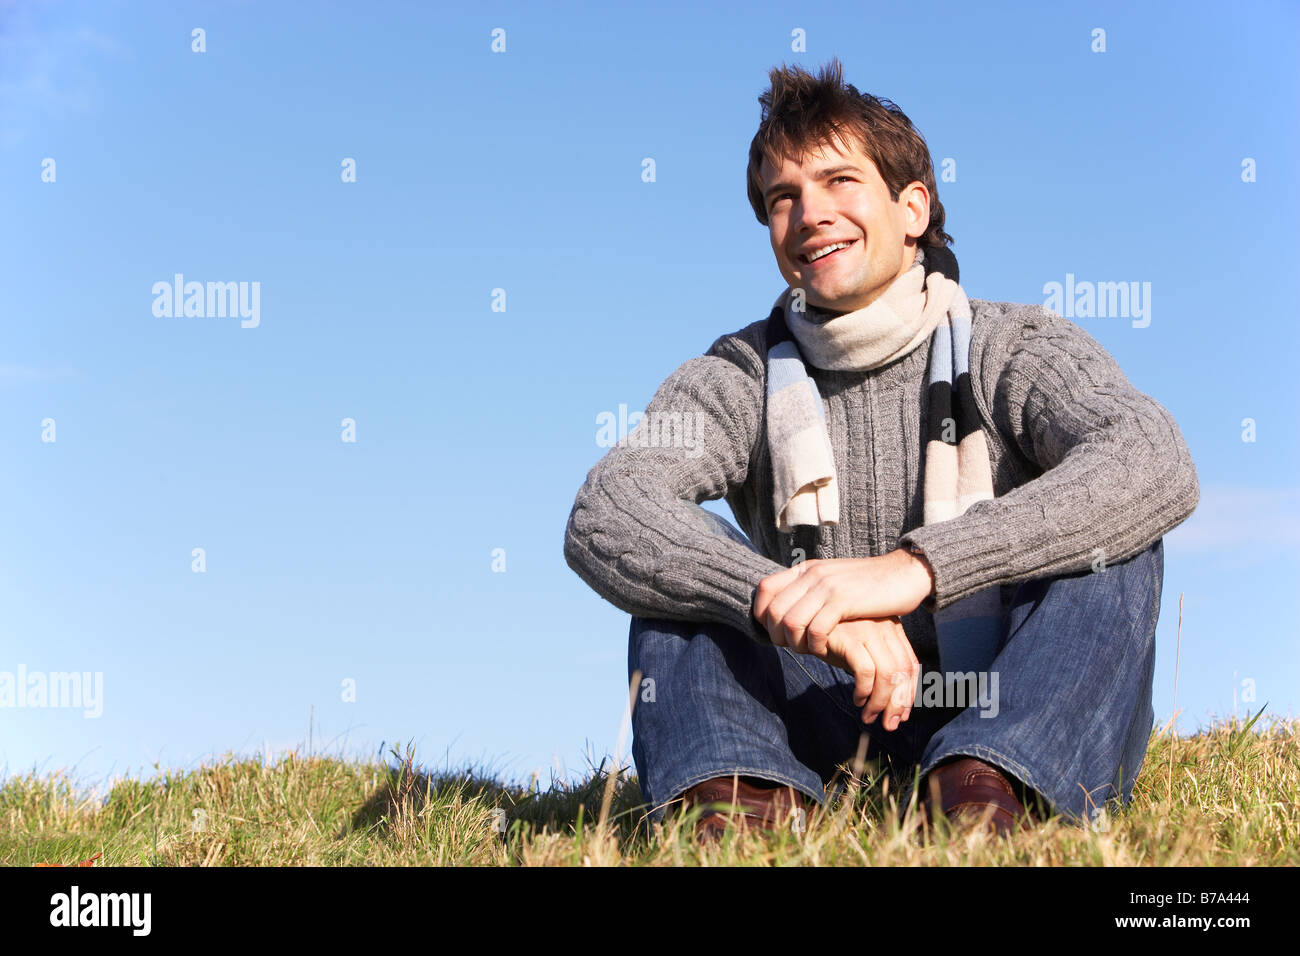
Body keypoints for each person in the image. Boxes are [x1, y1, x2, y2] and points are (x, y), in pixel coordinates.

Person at [562, 58, 1199, 839]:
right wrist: (795, 607)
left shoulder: (1014, 344)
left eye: (838, 183)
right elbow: (609, 507)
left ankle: (988, 788)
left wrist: (913, 570)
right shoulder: (739, 373)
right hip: (827, 703)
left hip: (1010, 689)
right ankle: (745, 806)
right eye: (782, 198)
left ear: (913, 208)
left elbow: (1152, 455)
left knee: (1114, 535)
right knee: (680, 573)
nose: (809, 215)